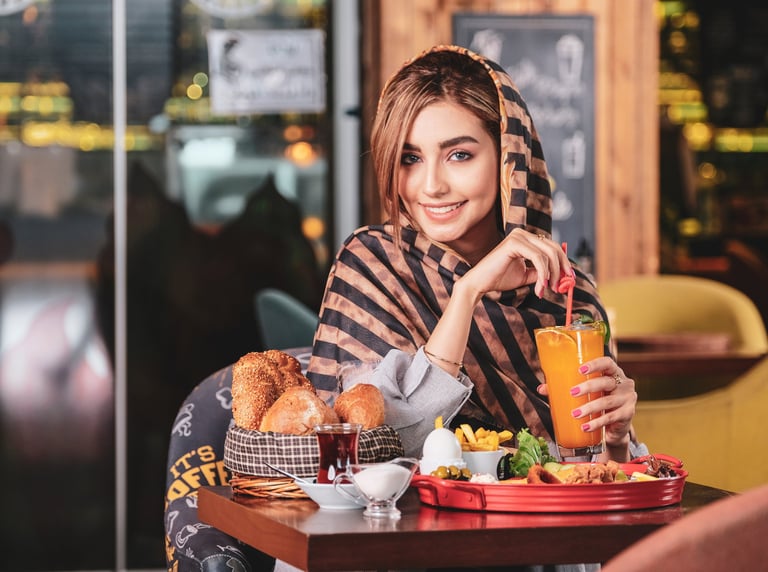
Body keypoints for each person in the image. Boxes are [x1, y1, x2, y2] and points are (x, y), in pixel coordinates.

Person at [306, 45, 644, 465]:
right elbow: (376, 450)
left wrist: (617, 440)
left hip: (548, 525)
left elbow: (593, 476)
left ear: (509, 160)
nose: (430, 185)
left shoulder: (567, 293)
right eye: (410, 158)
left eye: (458, 155)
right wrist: (467, 292)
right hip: (406, 526)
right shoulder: (372, 264)